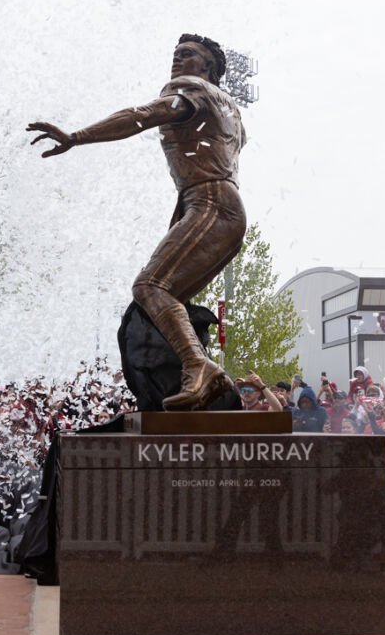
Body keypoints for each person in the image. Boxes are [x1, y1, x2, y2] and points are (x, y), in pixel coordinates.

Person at [27, 34, 246, 409]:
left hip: (209, 201)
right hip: (220, 205)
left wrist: (77, 137)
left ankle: (198, 366)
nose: (178, 59)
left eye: (188, 55)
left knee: (150, 287)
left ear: (207, 69)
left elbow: (142, 116)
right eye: (176, 53)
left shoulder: (190, 89)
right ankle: (197, 381)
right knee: (167, 299)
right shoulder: (232, 110)